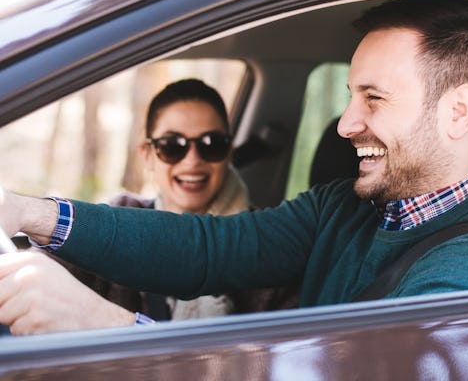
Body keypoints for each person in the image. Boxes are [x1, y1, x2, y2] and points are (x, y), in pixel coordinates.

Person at [0, 0, 468, 335]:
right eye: (348, 96)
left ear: (459, 111)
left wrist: (104, 330)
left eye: (374, 98)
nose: (344, 124)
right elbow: (208, 249)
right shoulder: (342, 207)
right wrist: (19, 210)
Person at [48, 78, 297, 322]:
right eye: (172, 145)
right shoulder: (115, 220)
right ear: (147, 155)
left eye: (211, 144)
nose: (192, 160)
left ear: (229, 153)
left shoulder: (267, 239)